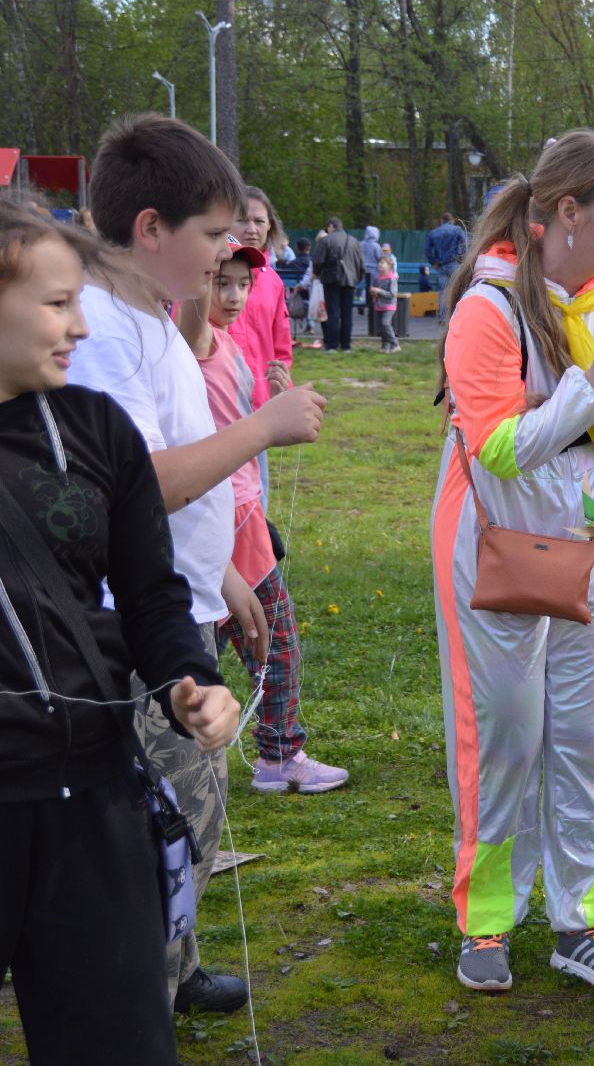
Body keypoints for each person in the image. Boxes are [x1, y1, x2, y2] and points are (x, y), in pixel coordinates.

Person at [68, 113, 328, 1015]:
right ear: (150, 230)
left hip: (182, 606)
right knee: (165, 818)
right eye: (214, 234)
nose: (230, 252)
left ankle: (169, 967)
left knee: (195, 809)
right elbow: (139, 485)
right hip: (124, 631)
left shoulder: (148, 317)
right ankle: (132, 986)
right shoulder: (99, 329)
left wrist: (219, 571)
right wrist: (264, 427)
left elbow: (171, 482)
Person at [0, 194, 241, 1064]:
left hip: (91, 793)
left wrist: (189, 680)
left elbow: (150, 595)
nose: (81, 328)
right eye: (57, 304)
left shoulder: (96, 429)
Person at [431, 130, 594, 995]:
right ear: (567, 213)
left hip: (587, 549)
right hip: (491, 546)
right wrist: (591, 388)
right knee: (504, 734)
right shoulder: (486, 308)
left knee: (584, 736)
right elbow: (499, 448)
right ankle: (488, 920)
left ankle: (586, 919)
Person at [176, 240, 349, 795]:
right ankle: (277, 755)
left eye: (242, 284)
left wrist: (272, 401)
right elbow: (192, 310)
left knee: (236, 637)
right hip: (218, 519)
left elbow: (233, 418)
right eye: (218, 280)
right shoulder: (195, 340)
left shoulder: (228, 345)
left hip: (245, 511)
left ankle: (248, 749)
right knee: (267, 638)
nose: (231, 294)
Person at [230, 185, 297, 510]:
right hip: (213, 399)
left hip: (256, 404)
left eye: (259, 220)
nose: (251, 228)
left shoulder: (273, 281)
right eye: (242, 220)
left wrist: (280, 387)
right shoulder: (208, 273)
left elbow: (281, 348)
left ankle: (258, 557)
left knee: (256, 495)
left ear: (270, 226)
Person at [312, 216, 364, 351]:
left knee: (333, 313)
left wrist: (318, 274)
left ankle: (332, 345)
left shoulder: (326, 240)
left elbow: (317, 261)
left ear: (330, 226)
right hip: (350, 281)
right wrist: (357, 278)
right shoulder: (354, 241)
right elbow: (361, 264)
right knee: (347, 314)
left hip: (331, 280)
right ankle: (346, 345)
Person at [425, 212, 468, 322]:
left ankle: (442, 317)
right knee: (458, 290)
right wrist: (463, 258)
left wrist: (433, 262)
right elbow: (465, 244)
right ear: (452, 220)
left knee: (443, 292)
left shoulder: (434, 233)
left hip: (441, 265)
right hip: (455, 263)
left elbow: (427, 250)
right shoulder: (457, 230)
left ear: (441, 220)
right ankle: (458, 315)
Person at [370, 254, 400, 353]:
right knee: (381, 327)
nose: (380, 264)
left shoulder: (392, 278)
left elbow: (392, 294)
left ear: (389, 265)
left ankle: (395, 344)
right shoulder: (377, 278)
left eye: (382, 263)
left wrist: (378, 291)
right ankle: (385, 346)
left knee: (385, 323)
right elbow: (375, 291)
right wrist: (373, 293)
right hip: (379, 305)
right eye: (379, 262)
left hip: (389, 306)